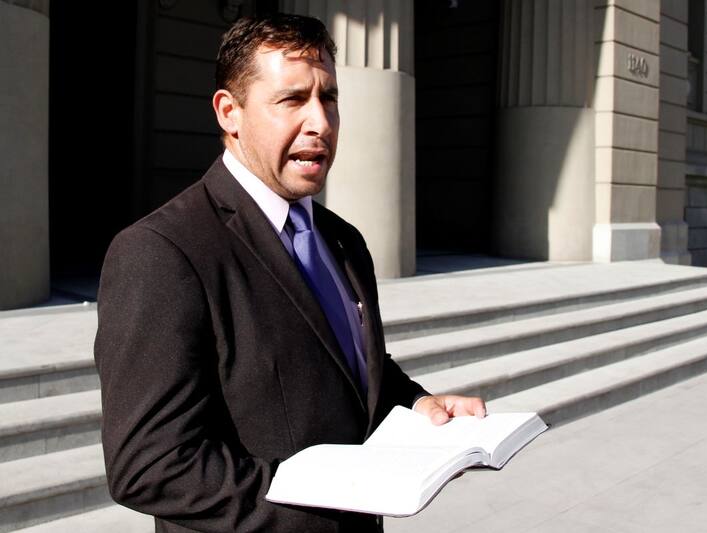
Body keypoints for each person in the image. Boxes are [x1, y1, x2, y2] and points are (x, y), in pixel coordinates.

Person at [94, 12, 485, 533]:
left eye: (329, 98)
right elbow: (152, 468)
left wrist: (417, 403)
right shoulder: (161, 253)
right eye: (292, 100)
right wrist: (330, 501)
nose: (320, 123)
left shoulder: (344, 240)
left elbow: (350, 369)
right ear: (229, 113)